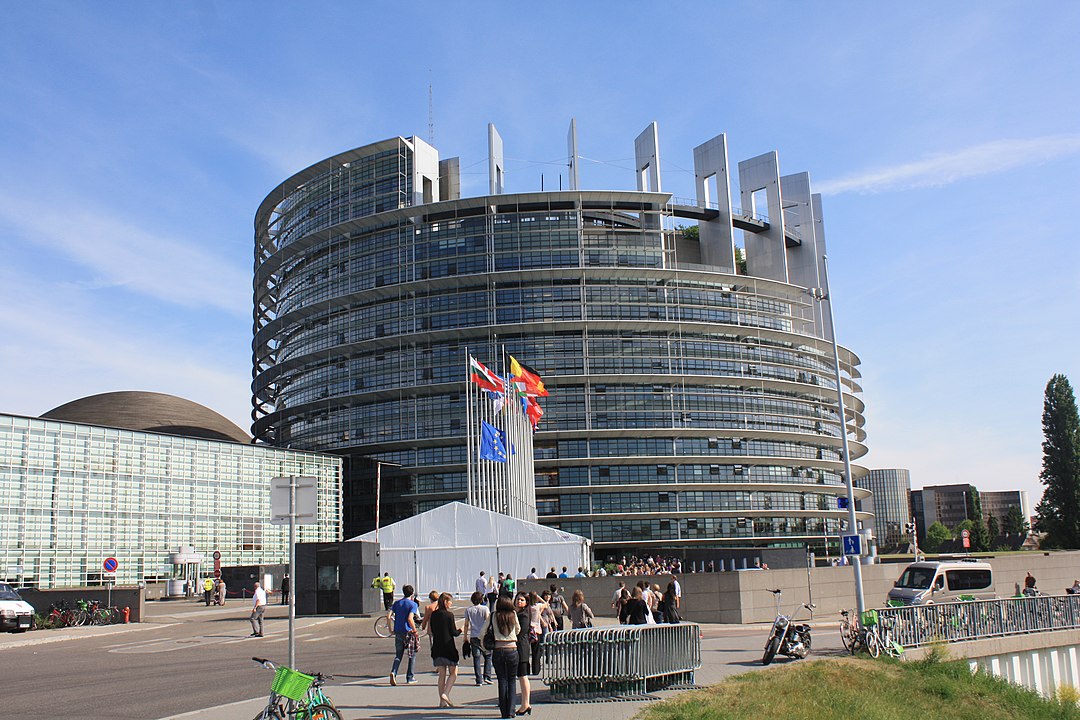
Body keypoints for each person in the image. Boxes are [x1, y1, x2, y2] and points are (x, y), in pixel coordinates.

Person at [482, 596, 521, 719]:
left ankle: (503, 711)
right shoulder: (513, 614)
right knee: (512, 681)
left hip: (498, 650)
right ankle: (511, 711)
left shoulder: (493, 615)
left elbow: (482, 632)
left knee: (502, 681)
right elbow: (518, 630)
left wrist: (484, 645)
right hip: (512, 649)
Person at [429, 592, 463, 708]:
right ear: (445, 602)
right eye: (450, 601)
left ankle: (442, 702)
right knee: (453, 673)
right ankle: (445, 693)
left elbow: (432, 630)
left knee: (441, 674)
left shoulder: (434, 615)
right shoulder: (449, 615)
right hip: (448, 648)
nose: (451, 603)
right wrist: (461, 629)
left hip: (437, 647)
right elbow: (453, 633)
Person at [389, 585, 420, 686]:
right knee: (412, 654)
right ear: (412, 593)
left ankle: (394, 672)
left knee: (398, 655)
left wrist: (390, 629)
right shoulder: (412, 604)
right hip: (408, 632)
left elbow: (388, 616)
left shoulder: (397, 603)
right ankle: (410, 677)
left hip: (398, 631)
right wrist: (415, 630)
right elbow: (410, 619)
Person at [465, 591, 493, 686]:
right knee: (488, 656)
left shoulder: (469, 610)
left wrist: (465, 637)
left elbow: (466, 625)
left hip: (473, 635)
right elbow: (488, 621)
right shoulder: (485, 609)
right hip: (484, 635)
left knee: (476, 658)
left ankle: (478, 679)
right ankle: (487, 676)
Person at [514, 592, 534, 716]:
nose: (519, 601)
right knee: (521, 676)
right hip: (521, 646)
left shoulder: (524, 615)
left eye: (522, 600)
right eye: (517, 599)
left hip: (521, 647)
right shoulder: (519, 613)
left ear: (526, 602)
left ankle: (525, 704)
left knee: (523, 676)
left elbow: (521, 632)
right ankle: (525, 704)